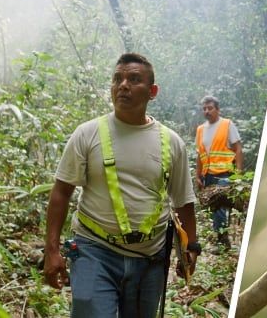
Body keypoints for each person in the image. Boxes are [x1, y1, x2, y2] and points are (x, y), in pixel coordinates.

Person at [43, 53, 201, 318]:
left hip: (150, 259)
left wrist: (191, 248)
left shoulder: (172, 143)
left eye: (134, 79)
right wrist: (52, 250)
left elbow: (183, 201)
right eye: (118, 79)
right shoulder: (87, 133)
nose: (123, 85)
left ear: (152, 91)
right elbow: (61, 192)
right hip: (94, 250)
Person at [195, 95, 243, 250]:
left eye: (210, 108)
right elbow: (199, 154)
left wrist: (238, 174)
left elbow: (238, 148)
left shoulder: (227, 124)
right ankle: (221, 238)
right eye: (204, 109)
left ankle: (222, 241)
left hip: (224, 173)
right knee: (213, 207)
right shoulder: (200, 129)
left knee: (221, 207)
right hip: (208, 173)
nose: (207, 111)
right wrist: (198, 174)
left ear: (217, 109)